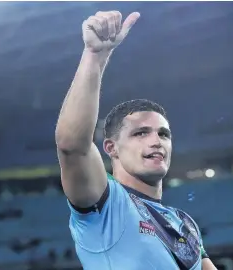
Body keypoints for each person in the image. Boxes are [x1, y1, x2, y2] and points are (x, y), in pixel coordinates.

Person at [56, 10, 217, 270]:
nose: (156, 141)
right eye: (141, 133)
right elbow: (72, 146)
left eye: (163, 134)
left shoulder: (183, 222)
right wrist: (95, 56)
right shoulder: (105, 203)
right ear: (111, 148)